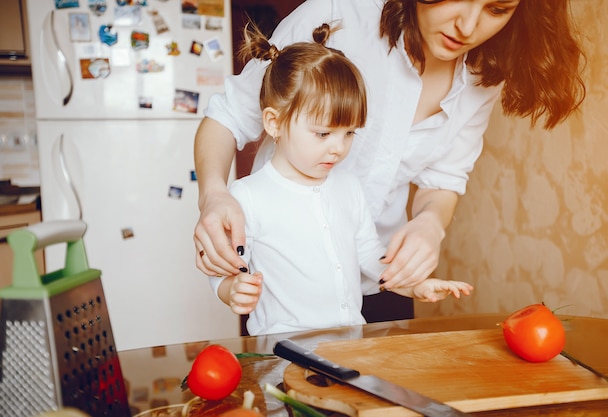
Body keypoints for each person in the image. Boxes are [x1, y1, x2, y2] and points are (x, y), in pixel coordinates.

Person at [194, 0, 585, 292]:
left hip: (380, 278)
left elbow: (444, 178)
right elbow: (229, 116)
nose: (467, 26)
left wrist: (430, 224)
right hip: (281, 278)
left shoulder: (484, 76)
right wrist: (213, 194)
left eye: (497, 9)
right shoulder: (339, 13)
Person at [208, 22, 473, 335]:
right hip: (281, 351)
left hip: (350, 344)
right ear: (274, 123)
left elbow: (371, 258)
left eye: (349, 133)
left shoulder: (348, 186)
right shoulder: (247, 196)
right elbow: (222, 267)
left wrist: (415, 285)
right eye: (322, 133)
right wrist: (229, 289)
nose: (338, 148)